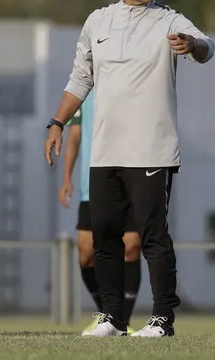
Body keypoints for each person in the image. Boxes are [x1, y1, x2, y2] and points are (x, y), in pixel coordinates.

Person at [44, 0, 215, 338]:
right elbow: (80, 79)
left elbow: (208, 48)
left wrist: (193, 46)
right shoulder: (97, 22)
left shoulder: (169, 21)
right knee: (104, 234)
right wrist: (56, 122)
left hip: (152, 148)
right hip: (105, 150)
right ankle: (112, 317)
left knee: (153, 236)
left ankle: (162, 319)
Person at [58, 90, 141, 334]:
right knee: (85, 254)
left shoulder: (130, 77)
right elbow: (74, 135)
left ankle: (121, 321)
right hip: (92, 185)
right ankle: (108, 314)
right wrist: (67, 178)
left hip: (130, 180)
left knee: (132, 247)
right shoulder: (83, 86)